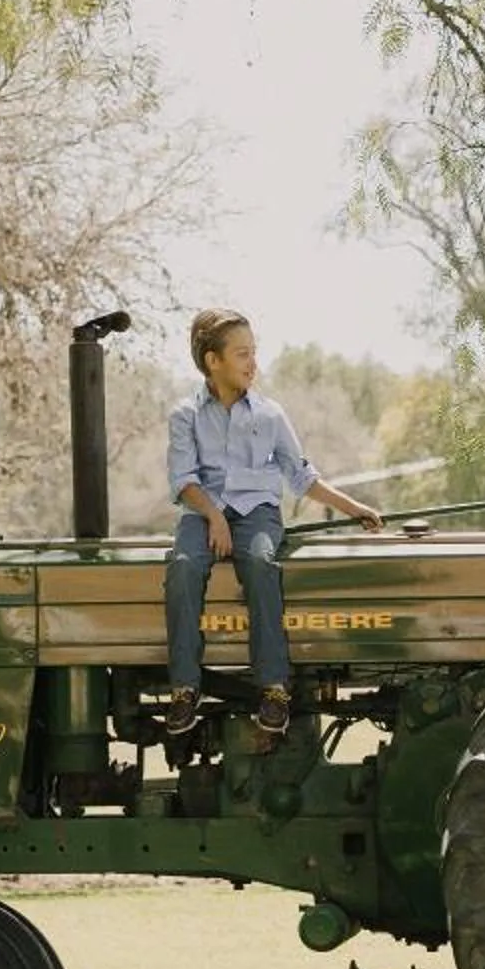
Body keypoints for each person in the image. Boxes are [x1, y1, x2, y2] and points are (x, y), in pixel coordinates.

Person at [163, 309, 381, 736]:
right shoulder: (185, 414)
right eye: (242, 354)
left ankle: (274, 687)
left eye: (254, 352)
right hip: (200, 511)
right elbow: (183, 480)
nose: (252, 363)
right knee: (184, 567)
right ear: (213, 361)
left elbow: (302, 477)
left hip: (257, 513)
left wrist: (354, 507)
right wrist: (212, 517)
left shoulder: (270, 415)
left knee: (262, 563)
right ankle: (185, 688)